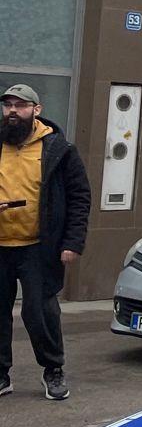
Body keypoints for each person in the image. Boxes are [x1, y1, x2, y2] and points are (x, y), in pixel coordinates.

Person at [0, 85, 89, 401]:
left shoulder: (58, 149)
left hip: (39, 246)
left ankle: (53, 370)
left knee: (39, 312)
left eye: (20, 106)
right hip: (1, 245)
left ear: (36, 110)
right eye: (8, 105)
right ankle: (1, 375)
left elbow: (80, 197)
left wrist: (72, 241)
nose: (12, 111)